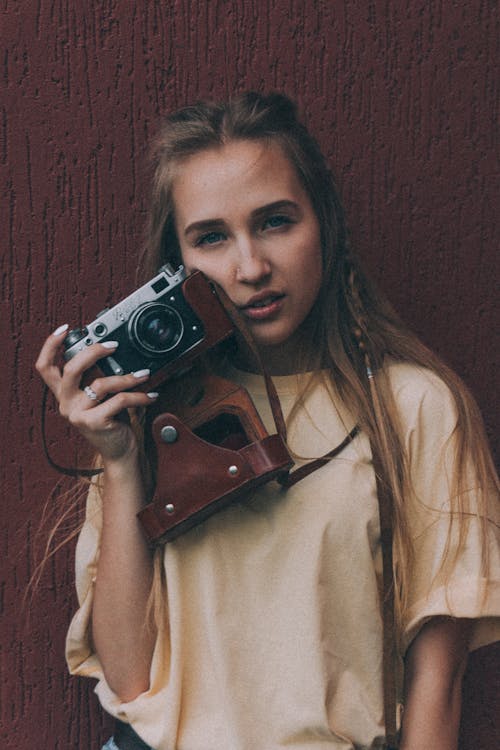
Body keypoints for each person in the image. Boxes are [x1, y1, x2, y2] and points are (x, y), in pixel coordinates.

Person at [35, 92, 499, 750]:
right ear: (178, 262)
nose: (250, 267)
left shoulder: (415, 408)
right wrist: (117, 458)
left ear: (324, 223)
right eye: (212, 237)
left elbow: (438, 682)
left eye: (276, 221)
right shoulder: (149, 411)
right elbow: (128, 675)